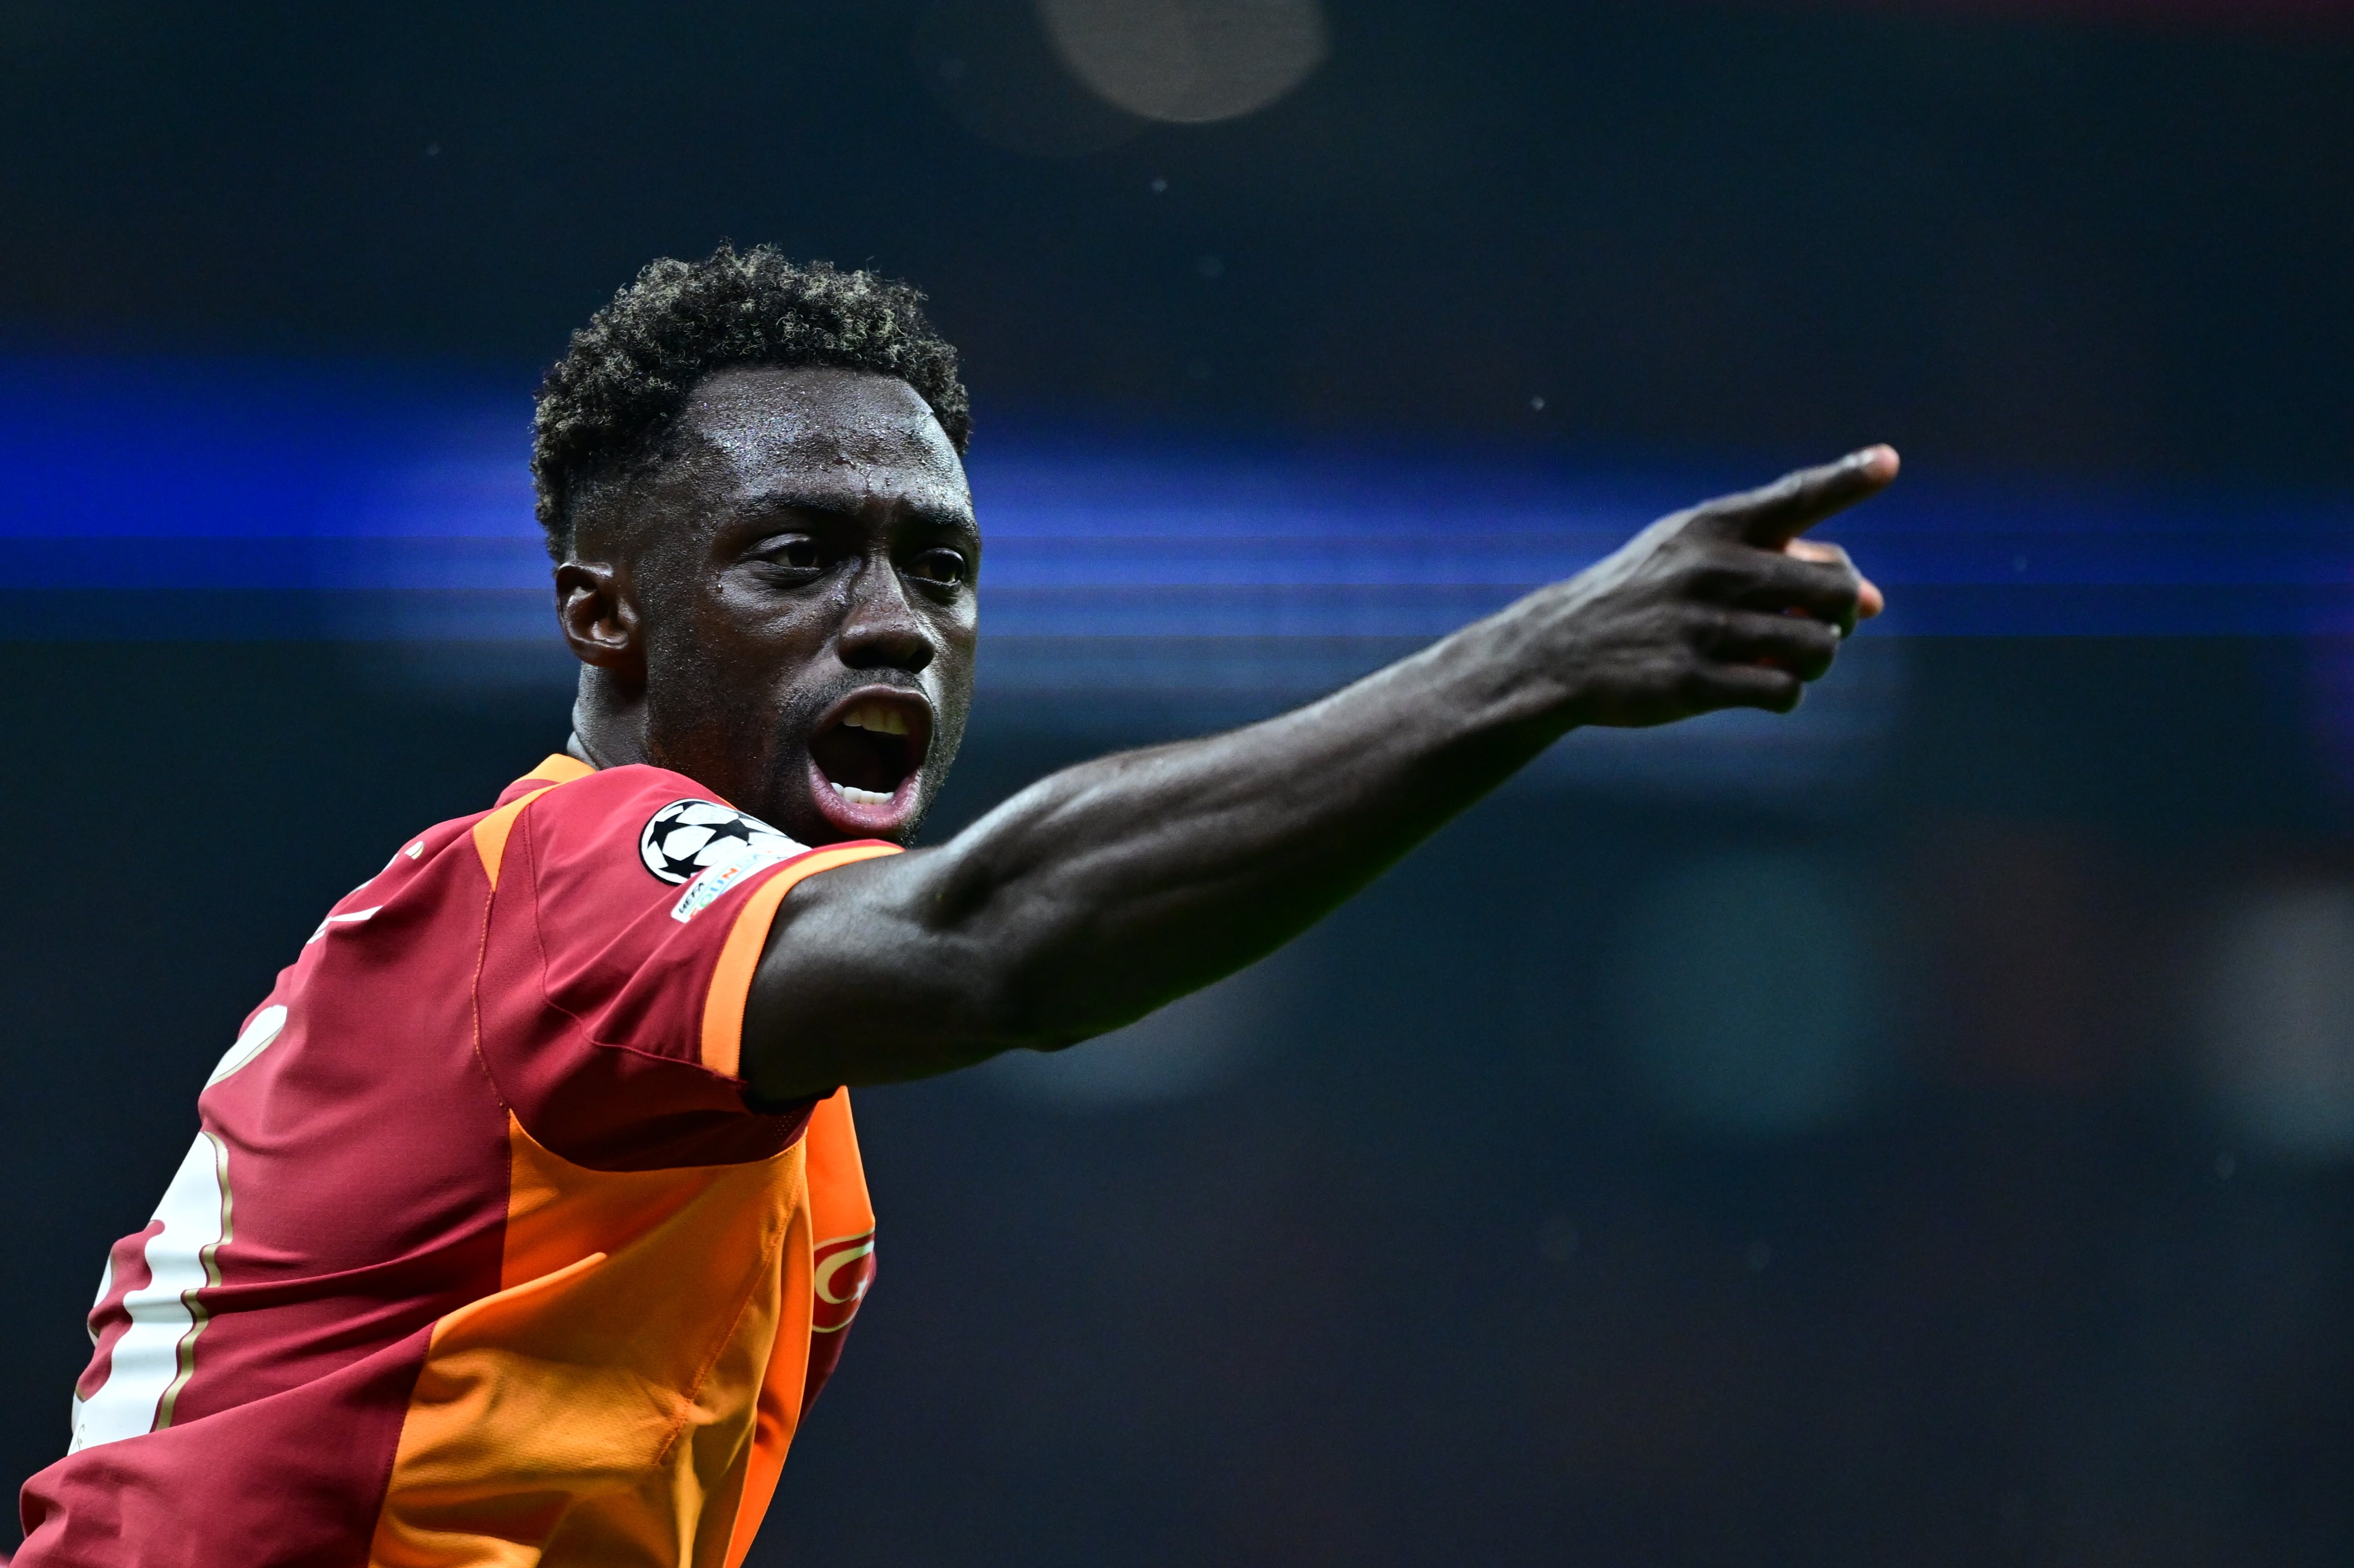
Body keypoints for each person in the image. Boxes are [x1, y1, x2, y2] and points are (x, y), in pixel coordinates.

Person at [17, 244, 1894, 1566]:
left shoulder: (742, 1081)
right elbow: (1006, 938)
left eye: (938, 564)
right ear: (604, 613)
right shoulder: (578, 877)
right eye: (796, 555)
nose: (895, 618)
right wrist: (1537, 663)